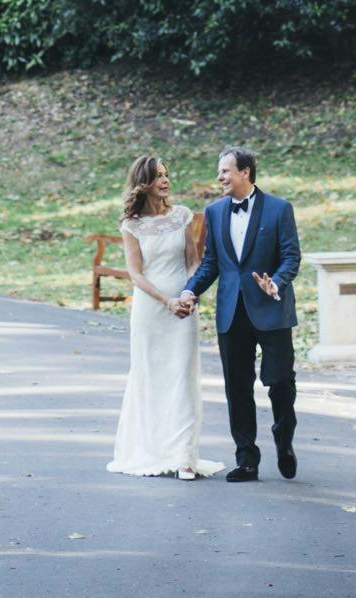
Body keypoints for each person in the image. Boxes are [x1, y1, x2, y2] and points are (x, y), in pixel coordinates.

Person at [175, 145, 301, 481]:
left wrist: (276, 281)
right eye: (219, 171)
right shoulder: (214, 212)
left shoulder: (279, 209)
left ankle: (284, 440)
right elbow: (212, 263)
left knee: (281, 383)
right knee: (237, 387)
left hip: (272, 310)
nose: (219, 177)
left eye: (225, 171)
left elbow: (291, 256)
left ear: (245, 172)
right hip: (231, 312)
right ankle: (247, 460)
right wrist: (190, 290)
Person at [107, 153, 211, 479]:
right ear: (144, 184)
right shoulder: (132, 225)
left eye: (166, 174)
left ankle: (185, 456)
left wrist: (190, 294)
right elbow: (135, 274)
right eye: (158, 177)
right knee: (151, 375)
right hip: (151, 308)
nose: (165, 181)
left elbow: (193, 261)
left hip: (184, 307)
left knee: (183, 375)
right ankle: (151, 450)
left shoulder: (181, 216)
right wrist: (166, 300)